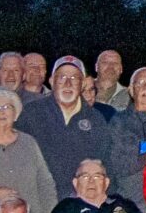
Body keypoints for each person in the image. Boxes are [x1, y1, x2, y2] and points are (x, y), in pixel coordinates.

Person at [21, 57, 116, 201]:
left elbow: (106, 164)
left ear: (82, 84)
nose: (68, 83)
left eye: (74, 78)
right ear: (51, 81)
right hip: (37, 199)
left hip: (80, 201)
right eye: (62, 78)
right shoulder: (31, 114)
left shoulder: (96, 119)